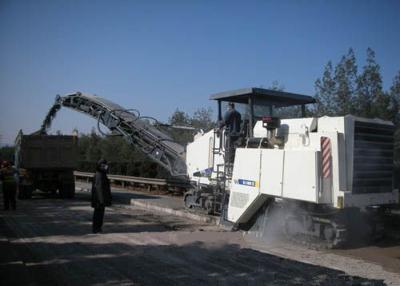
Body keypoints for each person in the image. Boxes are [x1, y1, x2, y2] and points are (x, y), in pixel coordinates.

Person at [91, 159, 112, 233]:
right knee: (98, 215)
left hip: (99, 199)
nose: (106, 167)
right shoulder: (99, 174)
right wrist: (101, 200)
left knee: (99, 214)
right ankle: (96, 228)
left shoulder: (101, 174)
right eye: (105, 165)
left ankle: (97, 228)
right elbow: (98, 188)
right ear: (101, 166)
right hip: (99, 200)